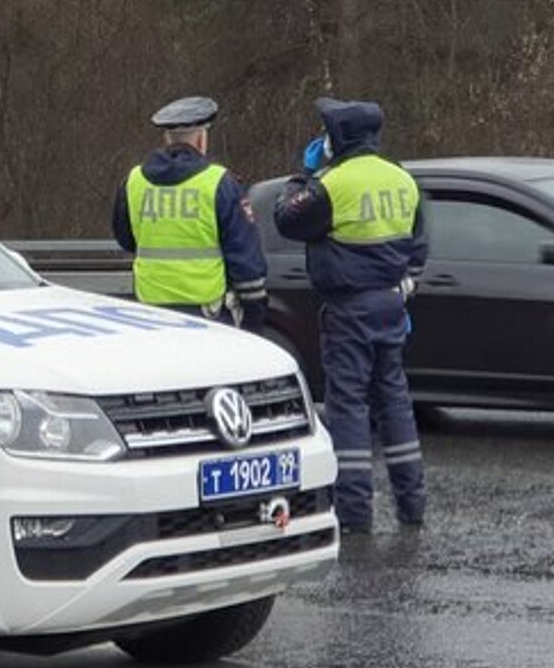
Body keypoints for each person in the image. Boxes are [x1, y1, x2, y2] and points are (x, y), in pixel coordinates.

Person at [273, 98, 428, 534]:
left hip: (349, 308)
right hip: (390, 305)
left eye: (327, 133)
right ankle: (412, 503)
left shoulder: (331, 184)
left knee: (348, 407)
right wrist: (401, 286)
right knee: (395, 402)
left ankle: (355, 512)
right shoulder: (403, 180)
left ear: (339, 137)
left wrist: (303, 175)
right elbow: (418, 247)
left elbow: (287, 218)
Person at [112, 95, 268, 331]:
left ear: (167, 139)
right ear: (201, 139)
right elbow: (243, 254)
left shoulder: (134, 181)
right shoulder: (218, 182)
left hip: (149, 310)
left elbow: (126, 239)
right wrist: (254, 313)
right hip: (205, 312)